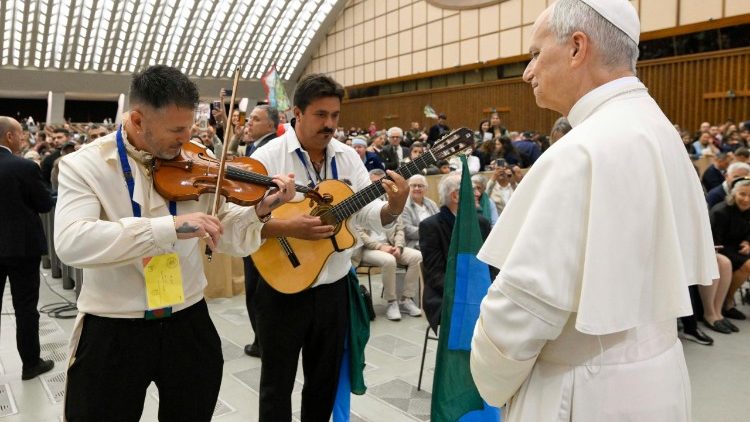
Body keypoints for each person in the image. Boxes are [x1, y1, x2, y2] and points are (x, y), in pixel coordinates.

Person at [470, 2, 716, 420]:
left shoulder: (582, 150)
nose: (528, 72)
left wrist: (489, 377)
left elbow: (520, 313)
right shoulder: (659, 128)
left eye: (535, 54)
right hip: (659, 380)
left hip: (584, 392)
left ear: (576, 48)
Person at [54, 65, 295, 421]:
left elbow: (226, 236)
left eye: (189, 127)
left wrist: (258, 211)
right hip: (114, 325)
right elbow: (71, 242)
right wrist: (167, 228)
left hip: (187, 319)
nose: (187, 139)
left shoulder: (194, 157)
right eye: (177, 130)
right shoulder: (84, 165)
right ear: (138, 120)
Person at [249, 73, 409, 421]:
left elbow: (367, 212)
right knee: (276, 386)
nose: (330, 124)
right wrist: (288, 226)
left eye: (335, 115)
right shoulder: (267, 157)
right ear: (297, 113)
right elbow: (241, 221)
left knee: (323, 384)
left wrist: (394, 207)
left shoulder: (348, 156)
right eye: (321, 115)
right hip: (280, 288)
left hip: (333, 288)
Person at [0, 116, 55, 381]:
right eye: (20, 134)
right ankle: (31, 364)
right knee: (25, 308)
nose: (23, 139)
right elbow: (43, 203)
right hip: (22, 247)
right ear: (9, 136)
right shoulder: (23, 167)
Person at [419, 173, 494, 333]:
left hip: (480, 291)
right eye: (472, 190)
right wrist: (466, 293)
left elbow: (491, 265)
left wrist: (492, 290)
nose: (478, 193)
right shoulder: (431, 226)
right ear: (455, 196)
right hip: (446, 295)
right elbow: (436, 274)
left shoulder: (481, 223)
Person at [354, 169, 423, 321]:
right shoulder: (360, 202)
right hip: (368, 249)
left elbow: (400, 229)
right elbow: (359, 233)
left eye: (382, 183)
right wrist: (380, 247)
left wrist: (398, 246)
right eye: (374, 183)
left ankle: (406, 299)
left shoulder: (392, 201)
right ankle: (391, 302)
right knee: (389, 260)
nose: (379, 187)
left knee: (417, 257)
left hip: (390, 245)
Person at [241, 104, 281, 358]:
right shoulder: (254, 147)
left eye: (255, 119)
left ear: (270, 124)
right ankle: (262, 339)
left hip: (262, 225)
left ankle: (263, 342)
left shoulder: (268, 150)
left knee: (257, 290)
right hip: (259, 223)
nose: (249, 123)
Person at [709, 177, 750, 322]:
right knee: (748, 265)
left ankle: (728, 299)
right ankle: (728, 300)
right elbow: (715, 242)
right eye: (742, 194)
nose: (746, 199)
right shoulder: (721, 212)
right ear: (733, 194)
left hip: (739, 247)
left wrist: (748, 242)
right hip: (721, 249)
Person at [400, 174, 439, 250]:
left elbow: (440, 221)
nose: (417, 188)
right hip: (415, 242)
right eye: (413, 185)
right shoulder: (404, 206)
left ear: (426, 189)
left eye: (420, 186)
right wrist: (430, 232)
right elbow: (408, 230)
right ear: (408, 188)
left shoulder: (432, 204)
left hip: (435, 238)